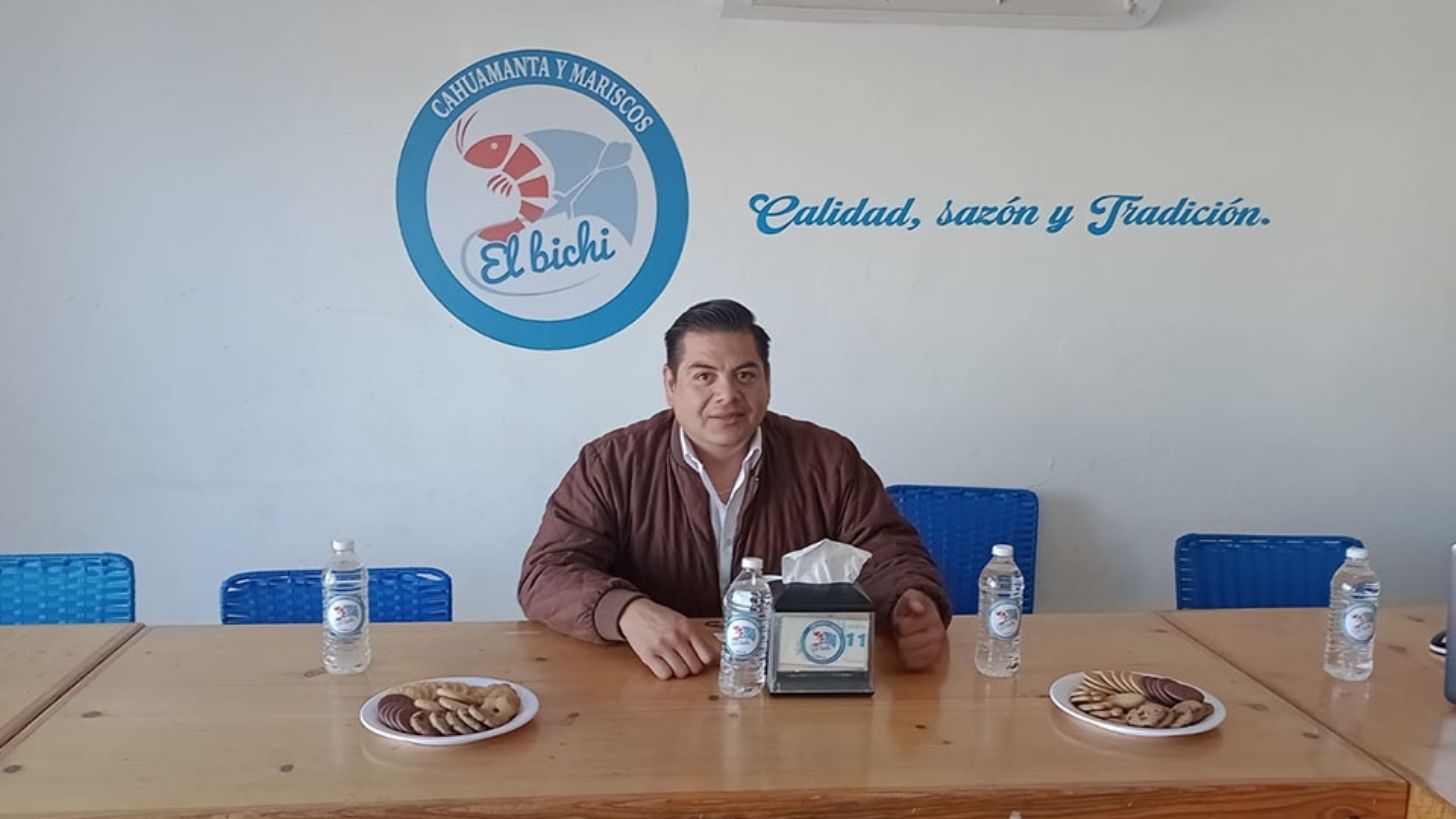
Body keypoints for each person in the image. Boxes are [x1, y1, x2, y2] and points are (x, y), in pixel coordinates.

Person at [517, 299, 951, 680]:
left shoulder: (828, 458)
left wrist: (908, 599)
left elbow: (886, 546)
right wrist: (624, 611)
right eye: (704, 376)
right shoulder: (612, 463)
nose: (727, 394)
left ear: (767, 380)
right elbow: (547, 572)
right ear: (670, 384)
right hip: (654, 680)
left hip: (796, 676)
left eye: (744, 375)